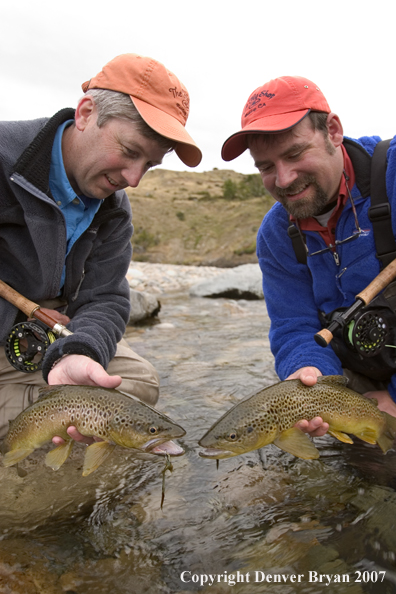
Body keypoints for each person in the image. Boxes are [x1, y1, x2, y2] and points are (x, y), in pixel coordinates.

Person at [0, 53, 202, 442]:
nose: (134, 179)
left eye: (150, 165)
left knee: (138, 382)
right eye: (129, 151)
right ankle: (40, 420)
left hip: (41, 334)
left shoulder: (114, 208)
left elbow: (105, 297)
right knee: (118, 410)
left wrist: (81, 351)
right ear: (86, 112)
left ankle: (44, 415)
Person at [221, 75, 396, 437]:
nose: (283, 180)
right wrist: (308, 374)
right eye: (266, 167)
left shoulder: (392, 176)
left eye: (295, 153)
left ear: (332, 131)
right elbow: (294, 328)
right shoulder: (275, 235)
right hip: (361, 372)